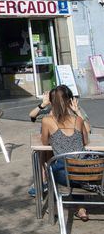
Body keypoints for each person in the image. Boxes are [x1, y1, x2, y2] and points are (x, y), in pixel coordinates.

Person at [41, 86, 90, 222]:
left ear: (51, 102)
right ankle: (81, 209)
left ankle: (55, 208)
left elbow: (44, 144)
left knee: (51, 165)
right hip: (86, 174)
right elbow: (86, 141)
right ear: (70, 101)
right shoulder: (78, 120)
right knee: (77, 162)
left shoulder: (47, 121)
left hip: (66, 175)